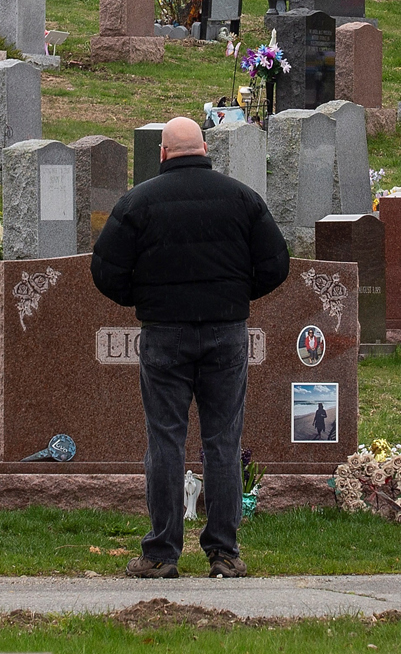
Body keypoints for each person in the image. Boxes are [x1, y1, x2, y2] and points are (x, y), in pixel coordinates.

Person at [91, 116, 290, 580]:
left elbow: (105, 272)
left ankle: (161, 554)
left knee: (165, 440)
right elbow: (276, 264)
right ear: (205, 148)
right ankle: (224, 553)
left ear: (162, 154)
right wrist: (235, 297)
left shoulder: (137, 202)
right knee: (222, 441)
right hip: (226, 332)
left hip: (165, 334)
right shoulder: (241, 198)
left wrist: (145, 299)